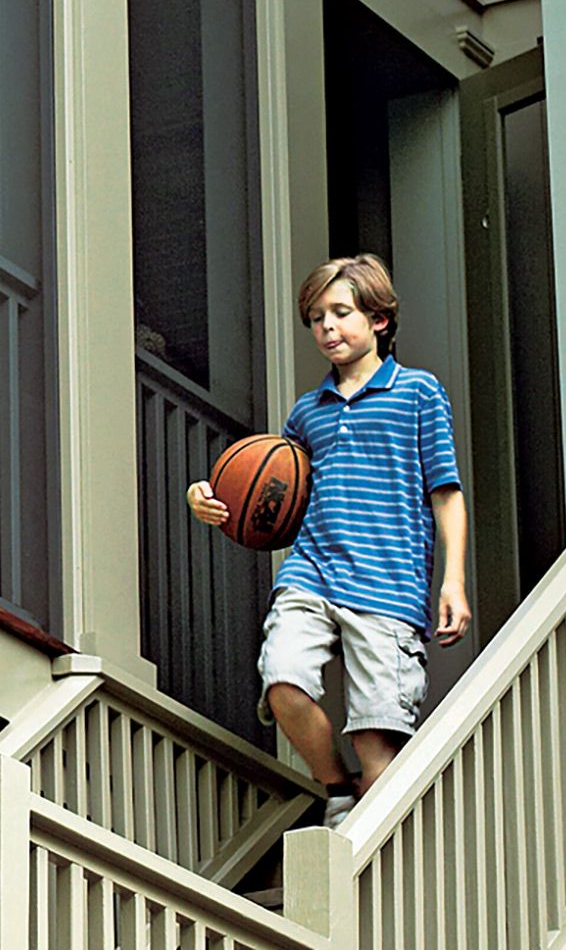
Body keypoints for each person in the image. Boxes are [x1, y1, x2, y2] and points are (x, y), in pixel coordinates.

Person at [185, 254, 470, 828]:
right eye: (316, 318)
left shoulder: (418, 392)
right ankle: (336, 787)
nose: (327, 327)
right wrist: (209, 497)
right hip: (311, 571)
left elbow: (446, 491)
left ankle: (374, 843)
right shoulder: (305, 414)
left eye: (341, 312)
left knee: (377, 745)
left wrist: (454, 581)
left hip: (389, 583)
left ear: (379, 320)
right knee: (283, 680)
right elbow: (272, 490)